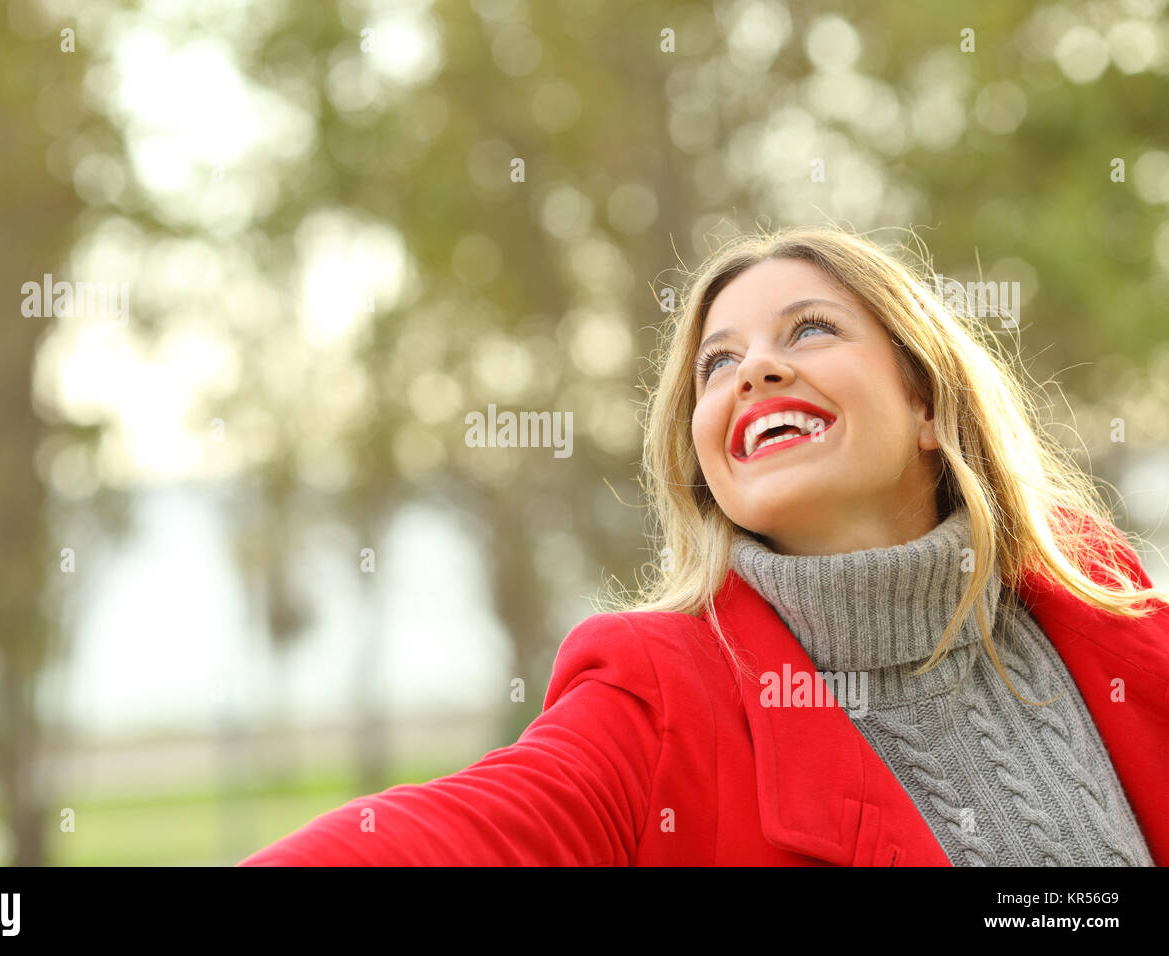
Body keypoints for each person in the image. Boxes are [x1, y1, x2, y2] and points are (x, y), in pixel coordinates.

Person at [238, 225, 1169, 866]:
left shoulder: (1098, 597)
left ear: (928, 404)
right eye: (717, 364)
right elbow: (451, 835)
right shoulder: (660, 693)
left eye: (810, 329)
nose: (755, 369)